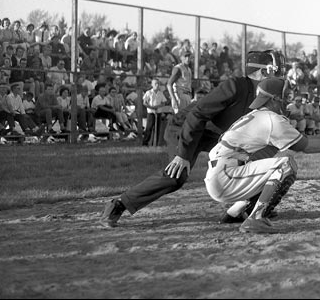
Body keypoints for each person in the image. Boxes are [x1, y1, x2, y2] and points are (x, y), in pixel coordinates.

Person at [99, 50, 286, 228]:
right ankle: (119, 204)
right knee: (175, 177)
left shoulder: (262, 95)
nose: (278, 76)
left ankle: (240, 210)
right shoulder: (235, 85)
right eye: (274, 71)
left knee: (263, 157)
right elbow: (197, 114)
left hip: (214, 135)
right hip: (184, 128)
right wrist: (183, 154)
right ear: (262, 72)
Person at [205, 77, 320, 234]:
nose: (286, 102)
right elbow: (306, 146)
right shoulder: (271, 119)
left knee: (278, 159)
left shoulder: (258, 115)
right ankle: (257, 217)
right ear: (274, 99)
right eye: (285, 97)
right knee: (285, 164)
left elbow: (296, 145)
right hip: (225, 176)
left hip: (221, 173)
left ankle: (234, 212)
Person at [142, 78, 168, 146]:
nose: (157, 85)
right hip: (151, 113)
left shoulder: (160, 93)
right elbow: (145, 102)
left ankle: (156, 143)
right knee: (149, 128)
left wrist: (158, 106)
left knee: (157, 128)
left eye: (158, 84)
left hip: (158, 112)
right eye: (155, 84)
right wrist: (152, 107)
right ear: (152, 85)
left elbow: (164, 103)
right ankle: (145, 142)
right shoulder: (149, 92)